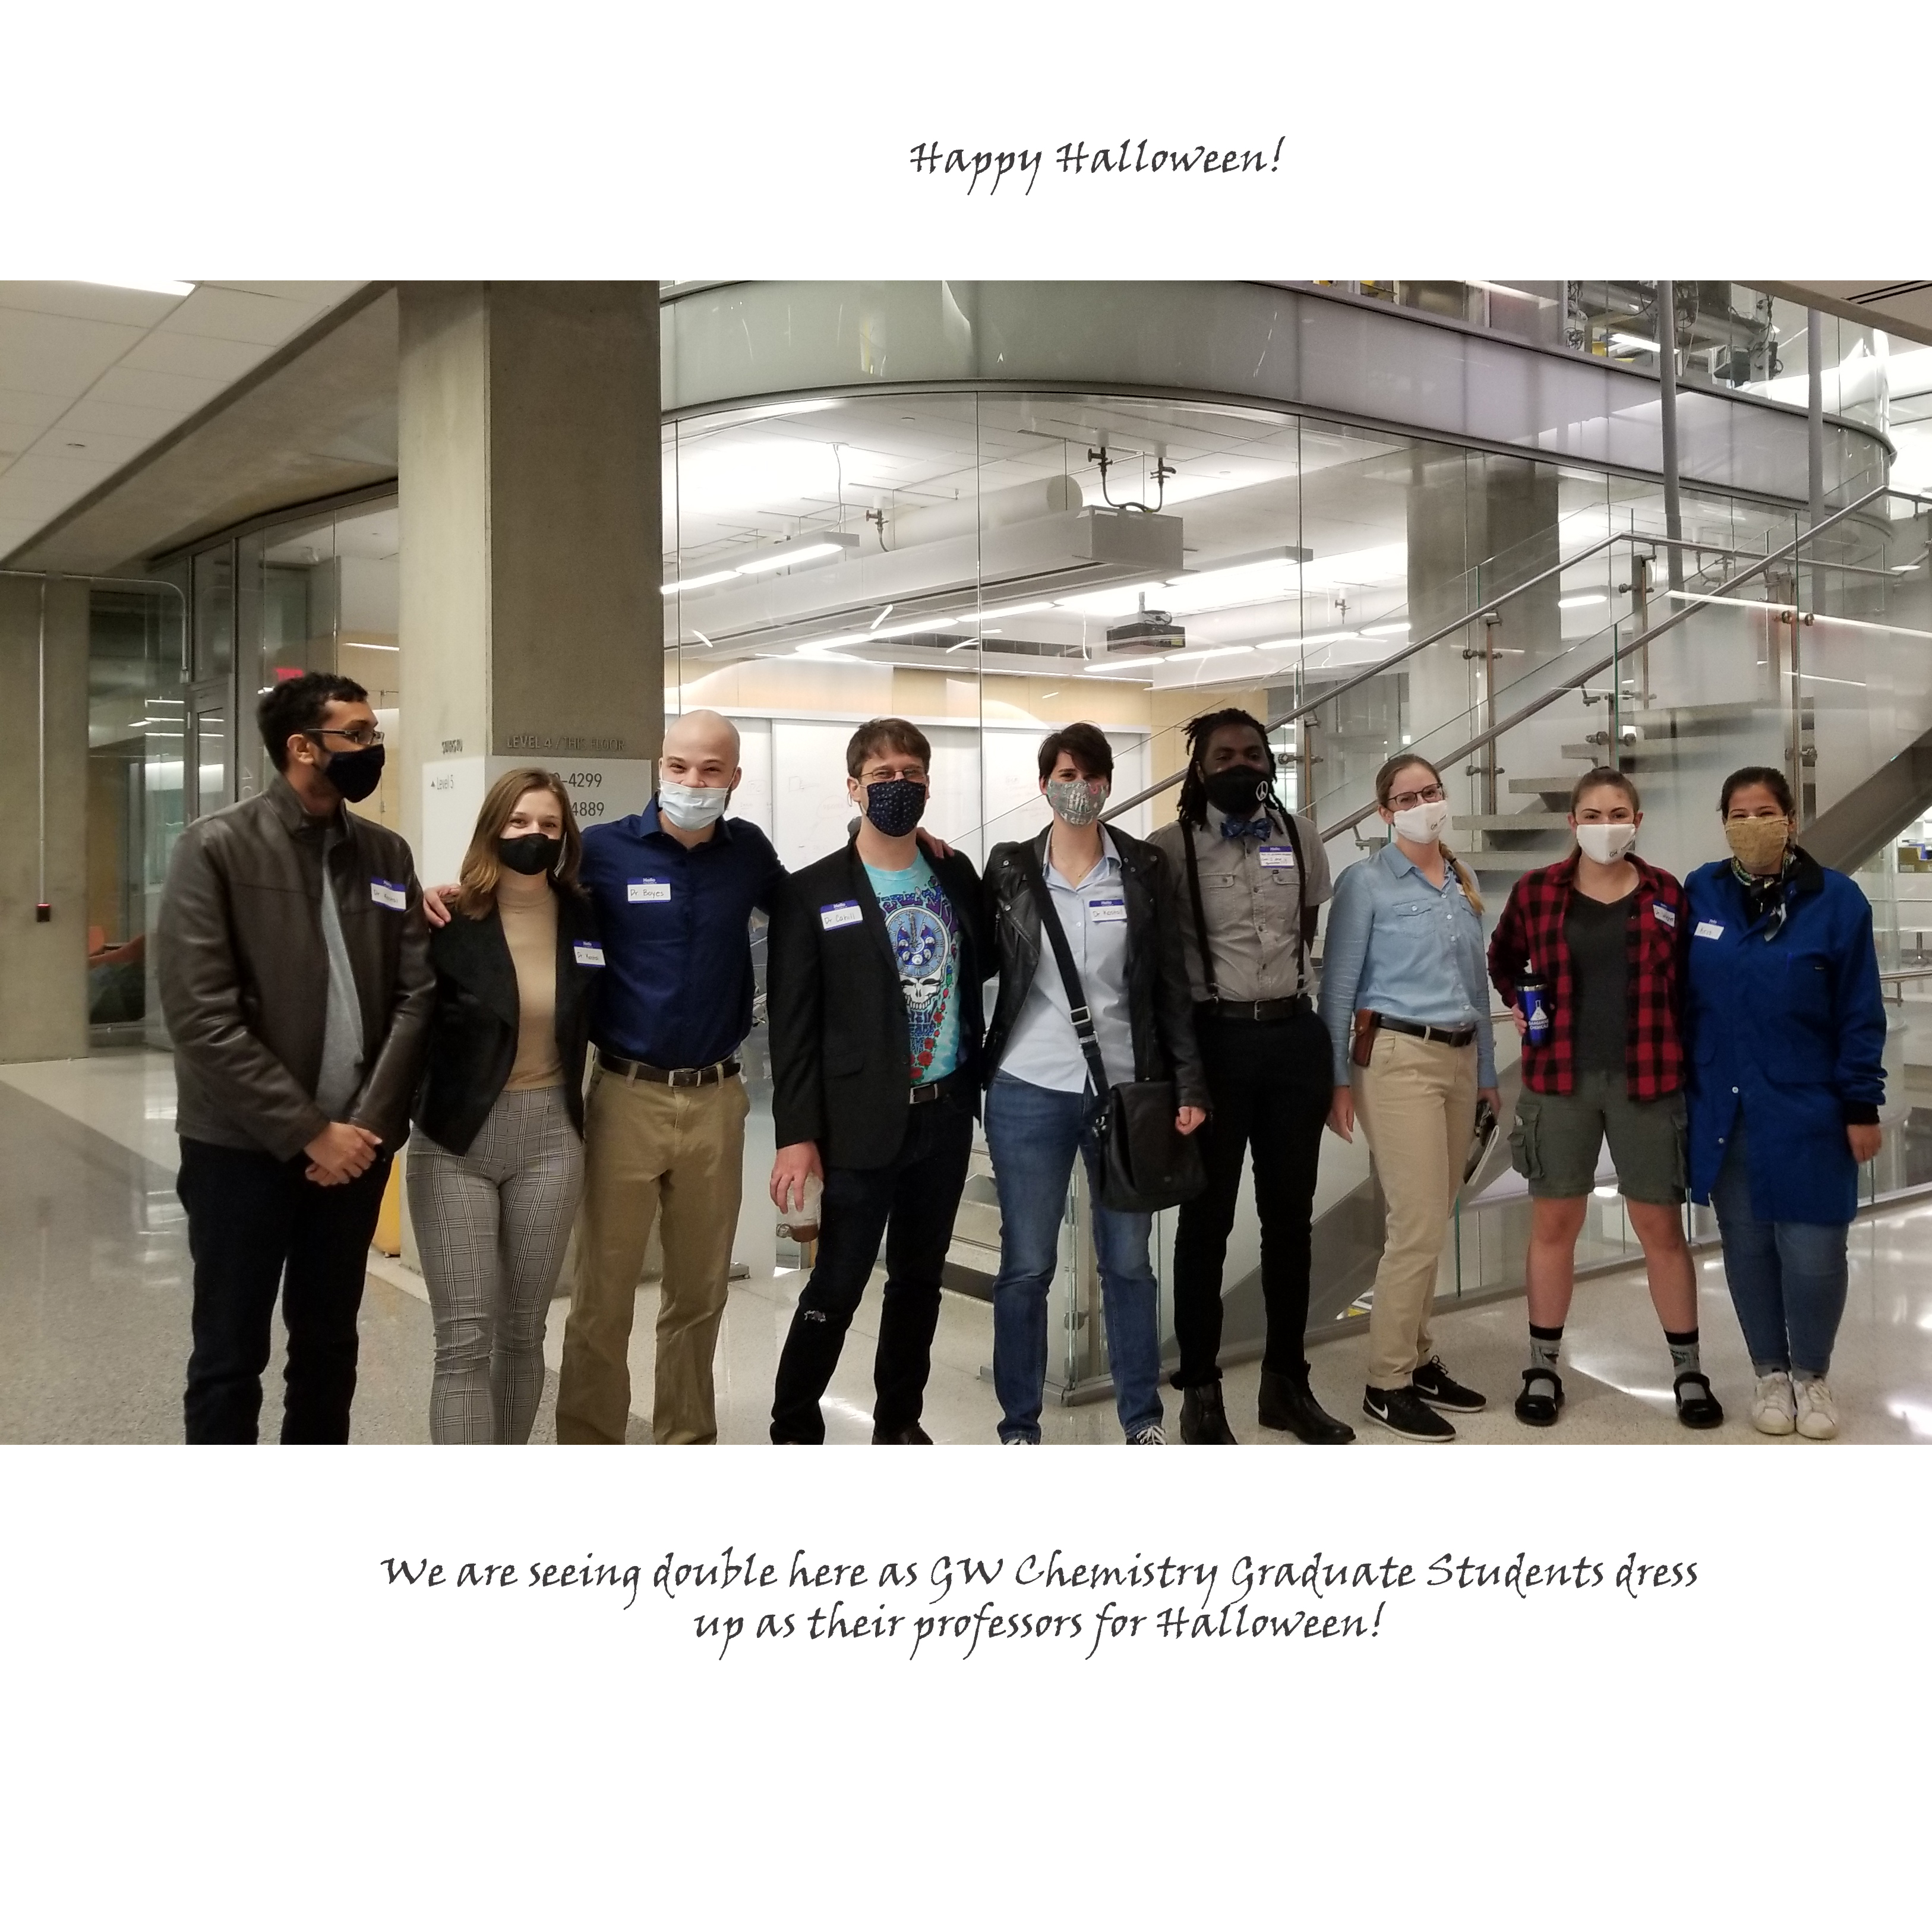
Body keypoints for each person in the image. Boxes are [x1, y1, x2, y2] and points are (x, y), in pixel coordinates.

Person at [430, 709, 784, 1444]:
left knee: (700, 1294)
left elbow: (806, 910)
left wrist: (901, 847)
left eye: (711, 770)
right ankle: (589, 1445)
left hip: (718, 1100)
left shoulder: (749, 853)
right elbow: (525, 898)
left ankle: (687, 1440)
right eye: (679, 766)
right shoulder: (603, 854)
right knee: (603, 1294)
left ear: (734, 777)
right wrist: (451, 895)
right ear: (660, 765)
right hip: (625, 1093)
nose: (692, 782)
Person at [157, 671, 433, 1444]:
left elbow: (417, 995)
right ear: (302, 748)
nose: (372, 748)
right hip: (239, 1151)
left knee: (328, 1347)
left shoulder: (384, 853)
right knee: (229, 1355)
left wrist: (364, 1127)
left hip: (356, 1152)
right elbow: (202, 1016)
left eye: (375, 734)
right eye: (357, 735)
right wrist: (311, 1132)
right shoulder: (215, 847)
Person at [981, 722, 1207, 1445]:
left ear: (1108, 783)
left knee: (1129, 1263)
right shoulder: (1011, 869)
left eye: (1090, 775)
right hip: (1027, 1087)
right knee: (1027, 1265)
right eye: (1065, 775)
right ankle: (1019, 1425)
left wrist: (1189, 1085)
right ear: (1044, 784)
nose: (1078, 788)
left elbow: (1170, 985)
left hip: (1124, 1091)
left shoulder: (1142, 868)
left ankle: (1141, 1418)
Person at [765, 719, 988, 1443]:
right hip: (856, 1121)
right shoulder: (812, 892)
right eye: (883, 775)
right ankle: (794, 1426)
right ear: (854, 788)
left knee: (920, 1282)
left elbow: (983, 963)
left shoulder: (954, 873)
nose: (899, 785)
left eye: (912, 773)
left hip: (944, 1116)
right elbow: (792, 1030)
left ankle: (899, 1423)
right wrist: (797, 1135)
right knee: (837, 1282)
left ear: (928, 784)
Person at [1488, 768, 1719, 1430]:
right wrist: (1518, 1001)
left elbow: (1691, 983)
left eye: (1618, 813)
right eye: (1591, 814)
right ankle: (1542, 1366)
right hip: (1559, 1082)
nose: (1605, 825)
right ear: (1573, 823)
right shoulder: (1537, 892)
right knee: (1554, 1226)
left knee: (1660, 1230)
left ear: (1637, 822)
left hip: (1649, 1080)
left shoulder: (1666, 893)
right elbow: (1503, 958)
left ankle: (1688, 1371)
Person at [1147, 707, 1352, 1445]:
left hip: (1293, 1040)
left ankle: (1285, 1384)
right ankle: (1200, 1391)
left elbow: (1306, 930)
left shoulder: (1301, 837)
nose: (1241, 765)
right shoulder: (1167, 849)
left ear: (1270, 762)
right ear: (1199, 769)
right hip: (1215, 1044)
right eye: (1224, 756)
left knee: (1289, 1222)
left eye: (1253, 753)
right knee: (1206, 1225)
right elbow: (1158, 965)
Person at [1682, 765, 1886, 1441]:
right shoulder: (1701, 893)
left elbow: (1860, 1011)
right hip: (1726, 1109)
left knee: (1814, 1252)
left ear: (1791, 820)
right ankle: (1769, 1372)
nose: (1752, 825)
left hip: (1810, 1110)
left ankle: (1812, 1375)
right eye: (1738, 814)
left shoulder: (1837, 900)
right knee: (1746, 1250)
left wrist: (1861, 1104)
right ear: (1723, 823)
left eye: (1765, 812)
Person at [408, 770, 604, 1444]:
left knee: (524, 1331)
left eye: (549, 825)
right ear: (493, 827)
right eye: (519, 822)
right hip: (455, 1142)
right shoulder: (446, 918)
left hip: (550, 1140)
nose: (534, 835)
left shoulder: (585, 917)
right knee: (464, 1339)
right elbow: (403, 1025)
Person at [1318, 753, 1498, 1442]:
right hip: (1396, 1059)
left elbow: (1476, 988)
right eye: (1407, 797)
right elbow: (1338, 989)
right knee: (1416, 1224)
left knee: (1434, 1219)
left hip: (1459, 1059)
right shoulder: (1364, 883)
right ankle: (1386, 1382)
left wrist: (1487, 1071)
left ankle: (1420, 1359)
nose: (1424, 805)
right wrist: (1337, 1081)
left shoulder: (1460, 878)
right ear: (1384, 812)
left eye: (1432, 792)